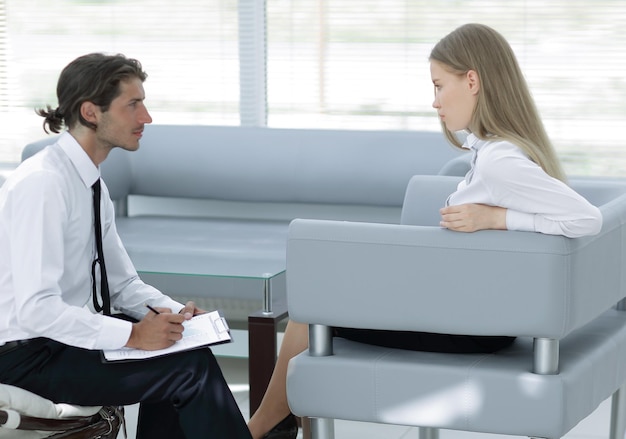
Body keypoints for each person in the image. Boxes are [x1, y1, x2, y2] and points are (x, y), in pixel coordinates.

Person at [247, 23, 603, 439]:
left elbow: (586, 219)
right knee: (321, 299)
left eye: (438, 86)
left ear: (472, 80)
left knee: (309, 313)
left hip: (468, 325)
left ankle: (258, 430)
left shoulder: (499, 161)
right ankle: (279, 426)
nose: (434, 102)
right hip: (467, 313)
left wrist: (496, 219)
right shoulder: (492, 151)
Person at [0, 53, 252, 439]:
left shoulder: (90, 182)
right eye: (133, 105)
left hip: (56, 343)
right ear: (91, 112)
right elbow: (36, 309)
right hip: (23, 356)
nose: (146, 118)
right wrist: (134, 336)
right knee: (188, 371)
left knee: (184, 350)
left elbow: (122, 285)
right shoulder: (44, 184)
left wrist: (175, 315)